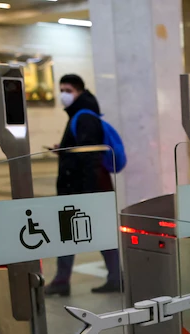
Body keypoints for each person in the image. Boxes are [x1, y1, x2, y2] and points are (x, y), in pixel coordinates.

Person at [45, 74, 121, 297]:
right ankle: (114, 277)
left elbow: (90, 156)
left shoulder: (84, 116)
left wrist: (88, 194)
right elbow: (82, 150)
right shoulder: (81, 114)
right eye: (61, 90)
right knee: (92, 232)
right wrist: (64, 150)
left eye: (68, 90)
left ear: (79, 91)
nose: (63, 95)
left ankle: (63, 281)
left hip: (82, 187)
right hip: (85, 185)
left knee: (69, 233)